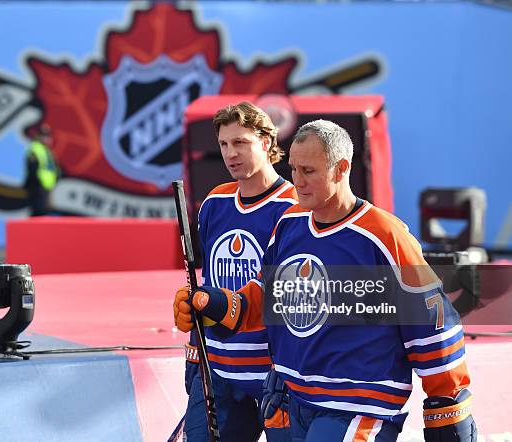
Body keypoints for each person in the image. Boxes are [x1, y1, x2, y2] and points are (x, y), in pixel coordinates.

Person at [174, 120, 477, 441]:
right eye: (293, 169)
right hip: (291, 402)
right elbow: (267, 297)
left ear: (341, 168)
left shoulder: (383, 235)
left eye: (309, 171)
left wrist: (447, 403)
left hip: (359, 405)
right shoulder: (290, 224)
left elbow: (433, 322)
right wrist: (219, 305)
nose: (298, 182)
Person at [180, 102, 297, 441]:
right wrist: (194, 355)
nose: (231, 153)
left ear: (265, 142)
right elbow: (204, 286)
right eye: (224, 144)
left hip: (276, 374)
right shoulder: (214, 202)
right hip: (217, 369)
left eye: (240, 143)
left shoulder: (293, 208)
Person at [24, 124, 59, 216]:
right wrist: (37, 182)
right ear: (38, 136)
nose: (46, 138)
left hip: (46, 187)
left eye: (47, 136)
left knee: (43, 212)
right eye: (43, 135)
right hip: (38, 186)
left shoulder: (46, 150)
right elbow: (32, 168)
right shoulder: (36, 148)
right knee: (38, 212)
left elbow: (53, 168)